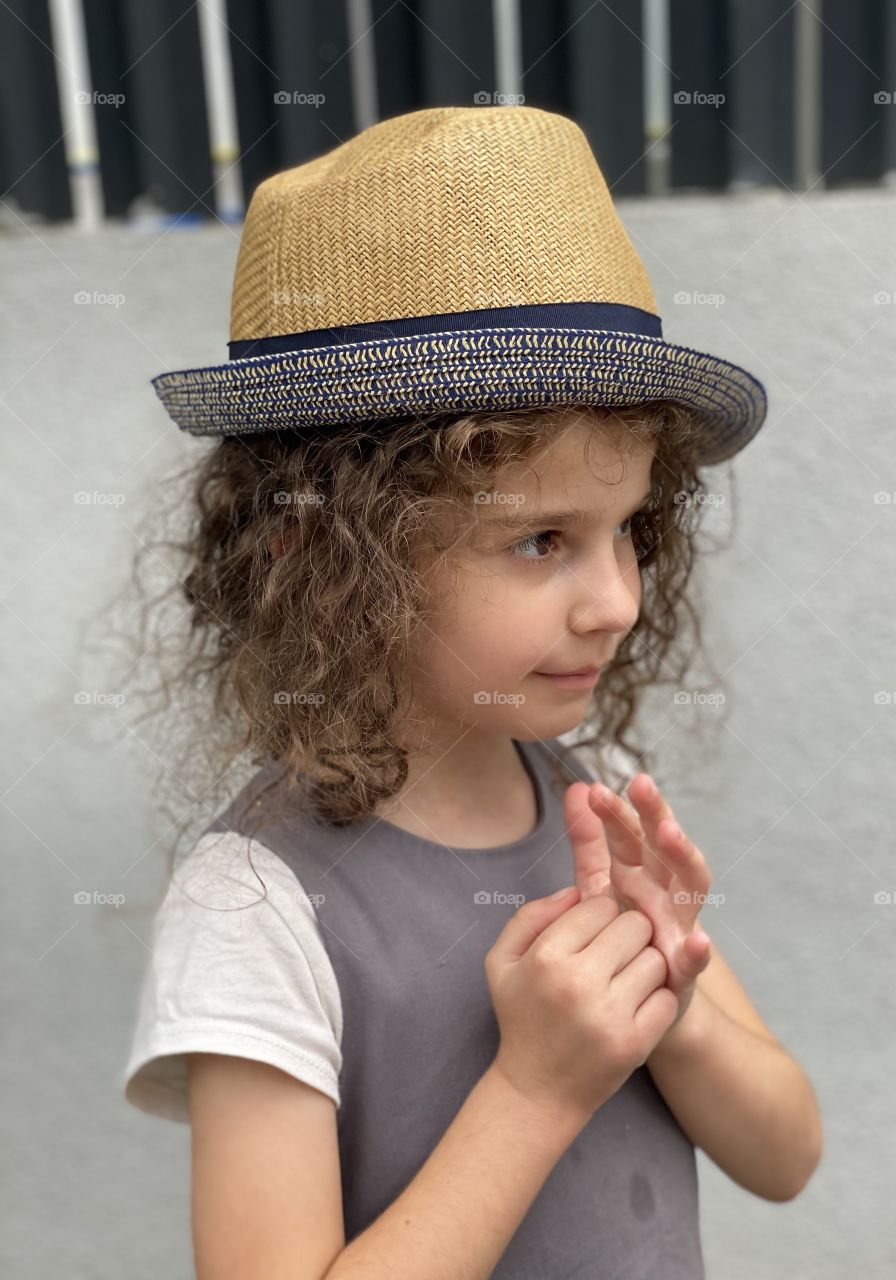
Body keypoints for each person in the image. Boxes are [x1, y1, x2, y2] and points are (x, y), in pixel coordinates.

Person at [122, 105, 821, 1279]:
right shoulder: (252, 905)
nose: (616, 599)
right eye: (542, 539)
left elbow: (788, 1153)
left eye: (627, 530)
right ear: (329, 563)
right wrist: (538, 1085)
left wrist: (670, 994)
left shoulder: (581, 804)